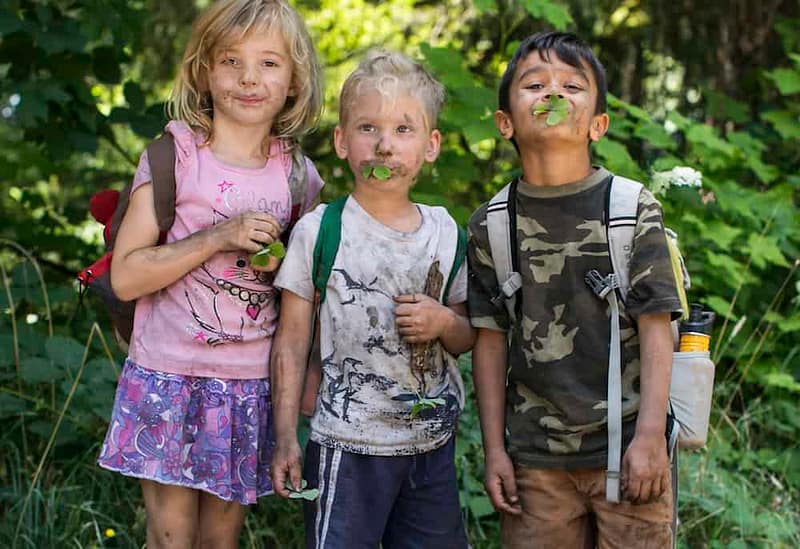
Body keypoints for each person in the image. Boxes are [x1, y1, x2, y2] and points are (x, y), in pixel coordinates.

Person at [96, 1, 324, 546]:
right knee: (171, 538)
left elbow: (303, 292)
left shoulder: (298, 176)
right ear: (204, 70)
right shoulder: (173, 158)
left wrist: (309, 370)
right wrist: (218, 236)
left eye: (270, 63)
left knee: (220, 542)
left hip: (247, 386)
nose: (249, 78)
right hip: (165, 378)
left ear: (294, 81)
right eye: (231, 61)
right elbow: (126, 277)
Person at [468, 31, 683, 548]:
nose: (553, 94)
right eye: (535, 84)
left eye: (572, 85)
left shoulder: (632, 209)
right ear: (505, 123)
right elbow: (490, 340)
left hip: (630, 452)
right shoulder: (491, 225)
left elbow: (659, 328)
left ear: (598, 125)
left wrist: (652, 438)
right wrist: (495, 450)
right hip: (535, 463)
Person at [270, 50, 474, 548]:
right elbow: (291, 343)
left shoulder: (446, 234)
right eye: (367, 128)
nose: (384, 146)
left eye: (404, 130)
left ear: (431, 145)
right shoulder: (321, 231)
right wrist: (284, 438)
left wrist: (443, 322)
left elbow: (471, 335)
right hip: (346, 443)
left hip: (430, 447)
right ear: (341, 141)